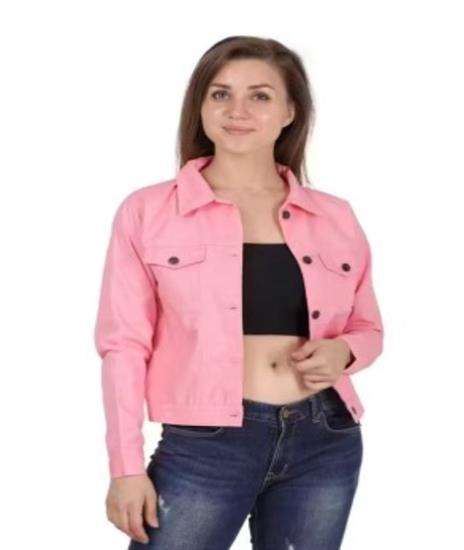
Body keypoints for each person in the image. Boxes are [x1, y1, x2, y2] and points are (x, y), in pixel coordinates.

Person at [94, 35, 384, 549]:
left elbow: (368, 328)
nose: (237, 111)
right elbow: (123, 345)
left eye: (260, 96)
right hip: (205, 446)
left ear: (290, 112)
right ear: (200, 105)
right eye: (221, 94)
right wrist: (126, 467)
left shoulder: (334, 216)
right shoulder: (149, 212)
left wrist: (343, 351)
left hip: (325, 437)